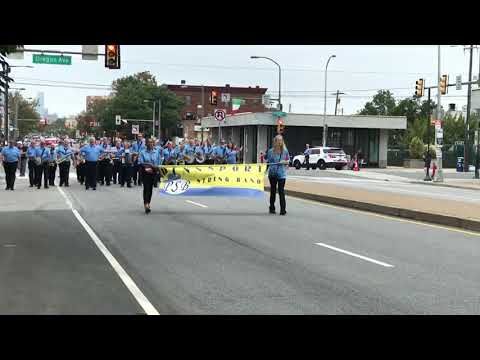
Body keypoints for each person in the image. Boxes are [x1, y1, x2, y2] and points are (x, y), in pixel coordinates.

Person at [266, 135, 290, 215]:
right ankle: (272, 208)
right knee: (273, 191)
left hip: (282, 174)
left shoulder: (285, 151)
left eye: (281, 140)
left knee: (281, 192)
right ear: (275, 141)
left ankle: (283, 209)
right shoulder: (270, 151)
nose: (279, 142)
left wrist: (284, 162)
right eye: (278, 140)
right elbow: (268, 162)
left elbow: (288, 161)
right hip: (272, 173)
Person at [138, 138, 161, 214]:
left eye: (152, 143)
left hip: (153, 172)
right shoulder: (142, 152)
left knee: (150, 189)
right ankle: (146, 204)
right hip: (145, 172)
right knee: (146, 188)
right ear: (146, 144)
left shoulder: (156, 152)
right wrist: (149, 165)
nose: (150, 144)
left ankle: (148, 203)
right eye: (149, 142)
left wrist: (156, 168)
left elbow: (158, 163)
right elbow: (141, 162)